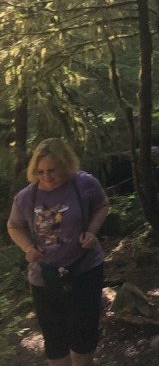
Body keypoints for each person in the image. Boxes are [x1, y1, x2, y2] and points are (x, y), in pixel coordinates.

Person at [7, 137, 110, 366]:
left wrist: (92, 231)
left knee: (83, 331)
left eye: (52, 170)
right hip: (45, 276)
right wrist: (27, 247)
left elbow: (102, 205)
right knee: (55, 337)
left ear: (65, 164)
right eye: (40, 171)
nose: (46, 177)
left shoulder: (84, 183)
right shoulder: (26, 196)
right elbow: (14, 226)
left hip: (84, 268)